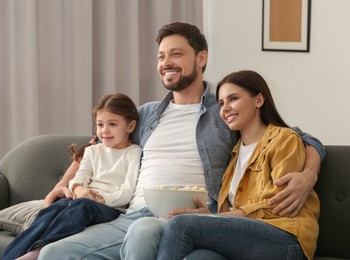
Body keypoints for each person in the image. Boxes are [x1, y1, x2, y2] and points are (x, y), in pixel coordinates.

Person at [38, 22, 325, 259]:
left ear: (201, 58)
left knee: (147, 231)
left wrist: (309, 174)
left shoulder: (223, 111)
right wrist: (64, 184)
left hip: (193, 218)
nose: (166, 63)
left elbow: (296, 136)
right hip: (132, 213)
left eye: (176, 54)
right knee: (53, 253)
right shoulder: (146, 113)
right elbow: (97, 145)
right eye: (161, 56)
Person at [155, 70, 319, 260]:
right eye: (221, 103)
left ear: (258, 100)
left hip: (286, 238)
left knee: (180, 225)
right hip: (249, 238)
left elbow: (277, 204)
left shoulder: (283, 139)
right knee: (200, 257)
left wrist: (214, 219)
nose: (225, 109)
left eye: (233, 99)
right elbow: (235, 212)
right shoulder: (234, 156)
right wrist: (212, 214)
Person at [0, 93, 141, 260]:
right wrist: (79, 188)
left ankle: (39, 250)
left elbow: (127, 192)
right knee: (55, 208)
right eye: (100, 124)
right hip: (82, 199)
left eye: (112, 124)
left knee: (82, 206)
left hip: (110, 208)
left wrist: (101, 199)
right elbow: (79, 178)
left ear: (130, 126)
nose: (104, 131)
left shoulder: (133, 153)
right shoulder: (92, 151)